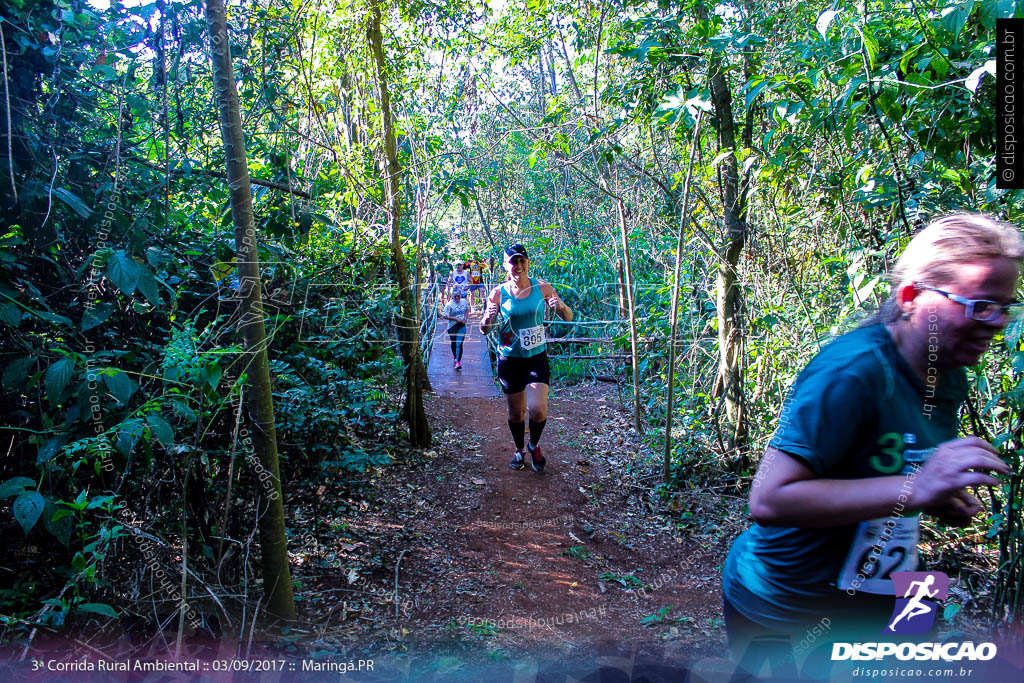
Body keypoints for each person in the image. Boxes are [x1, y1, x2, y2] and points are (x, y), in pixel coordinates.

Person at [720, 213, 1020, 675]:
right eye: (977, 304)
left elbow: (889, 467)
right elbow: (768, 499)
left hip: (879, 594)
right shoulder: (851, 372)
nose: (995, 322)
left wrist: (937, 496)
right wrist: (915, 489)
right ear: (911, 297)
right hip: (788, 599)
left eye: (1005, 306)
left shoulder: (948, 370)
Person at [480, 244, 573, 472]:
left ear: (528, 262)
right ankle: (519, 449)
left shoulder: (542, 287)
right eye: (513, 262)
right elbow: (484, 329)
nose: (518, 265)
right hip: (510, 358)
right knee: (516, 412)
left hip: (535, 357)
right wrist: (489, 317)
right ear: (505, 266)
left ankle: (533, 445)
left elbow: (568, 317)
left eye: (522, 260)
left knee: (538, 409)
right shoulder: (498, 293)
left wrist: (559, 305)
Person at [441, 290, 469, 369]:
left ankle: (458, 362)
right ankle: (455, 357)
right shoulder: (449, 305)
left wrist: (465, 319)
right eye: (455, 296)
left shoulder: (464, 302)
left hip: (462, 326)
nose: (457, 298)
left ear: (460, 296)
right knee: (454, 343)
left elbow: (467, 310)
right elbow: (444, 316)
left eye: (458, 296)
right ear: (452, 297)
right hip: (452, 327)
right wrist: (455, 319)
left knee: (459, 344)